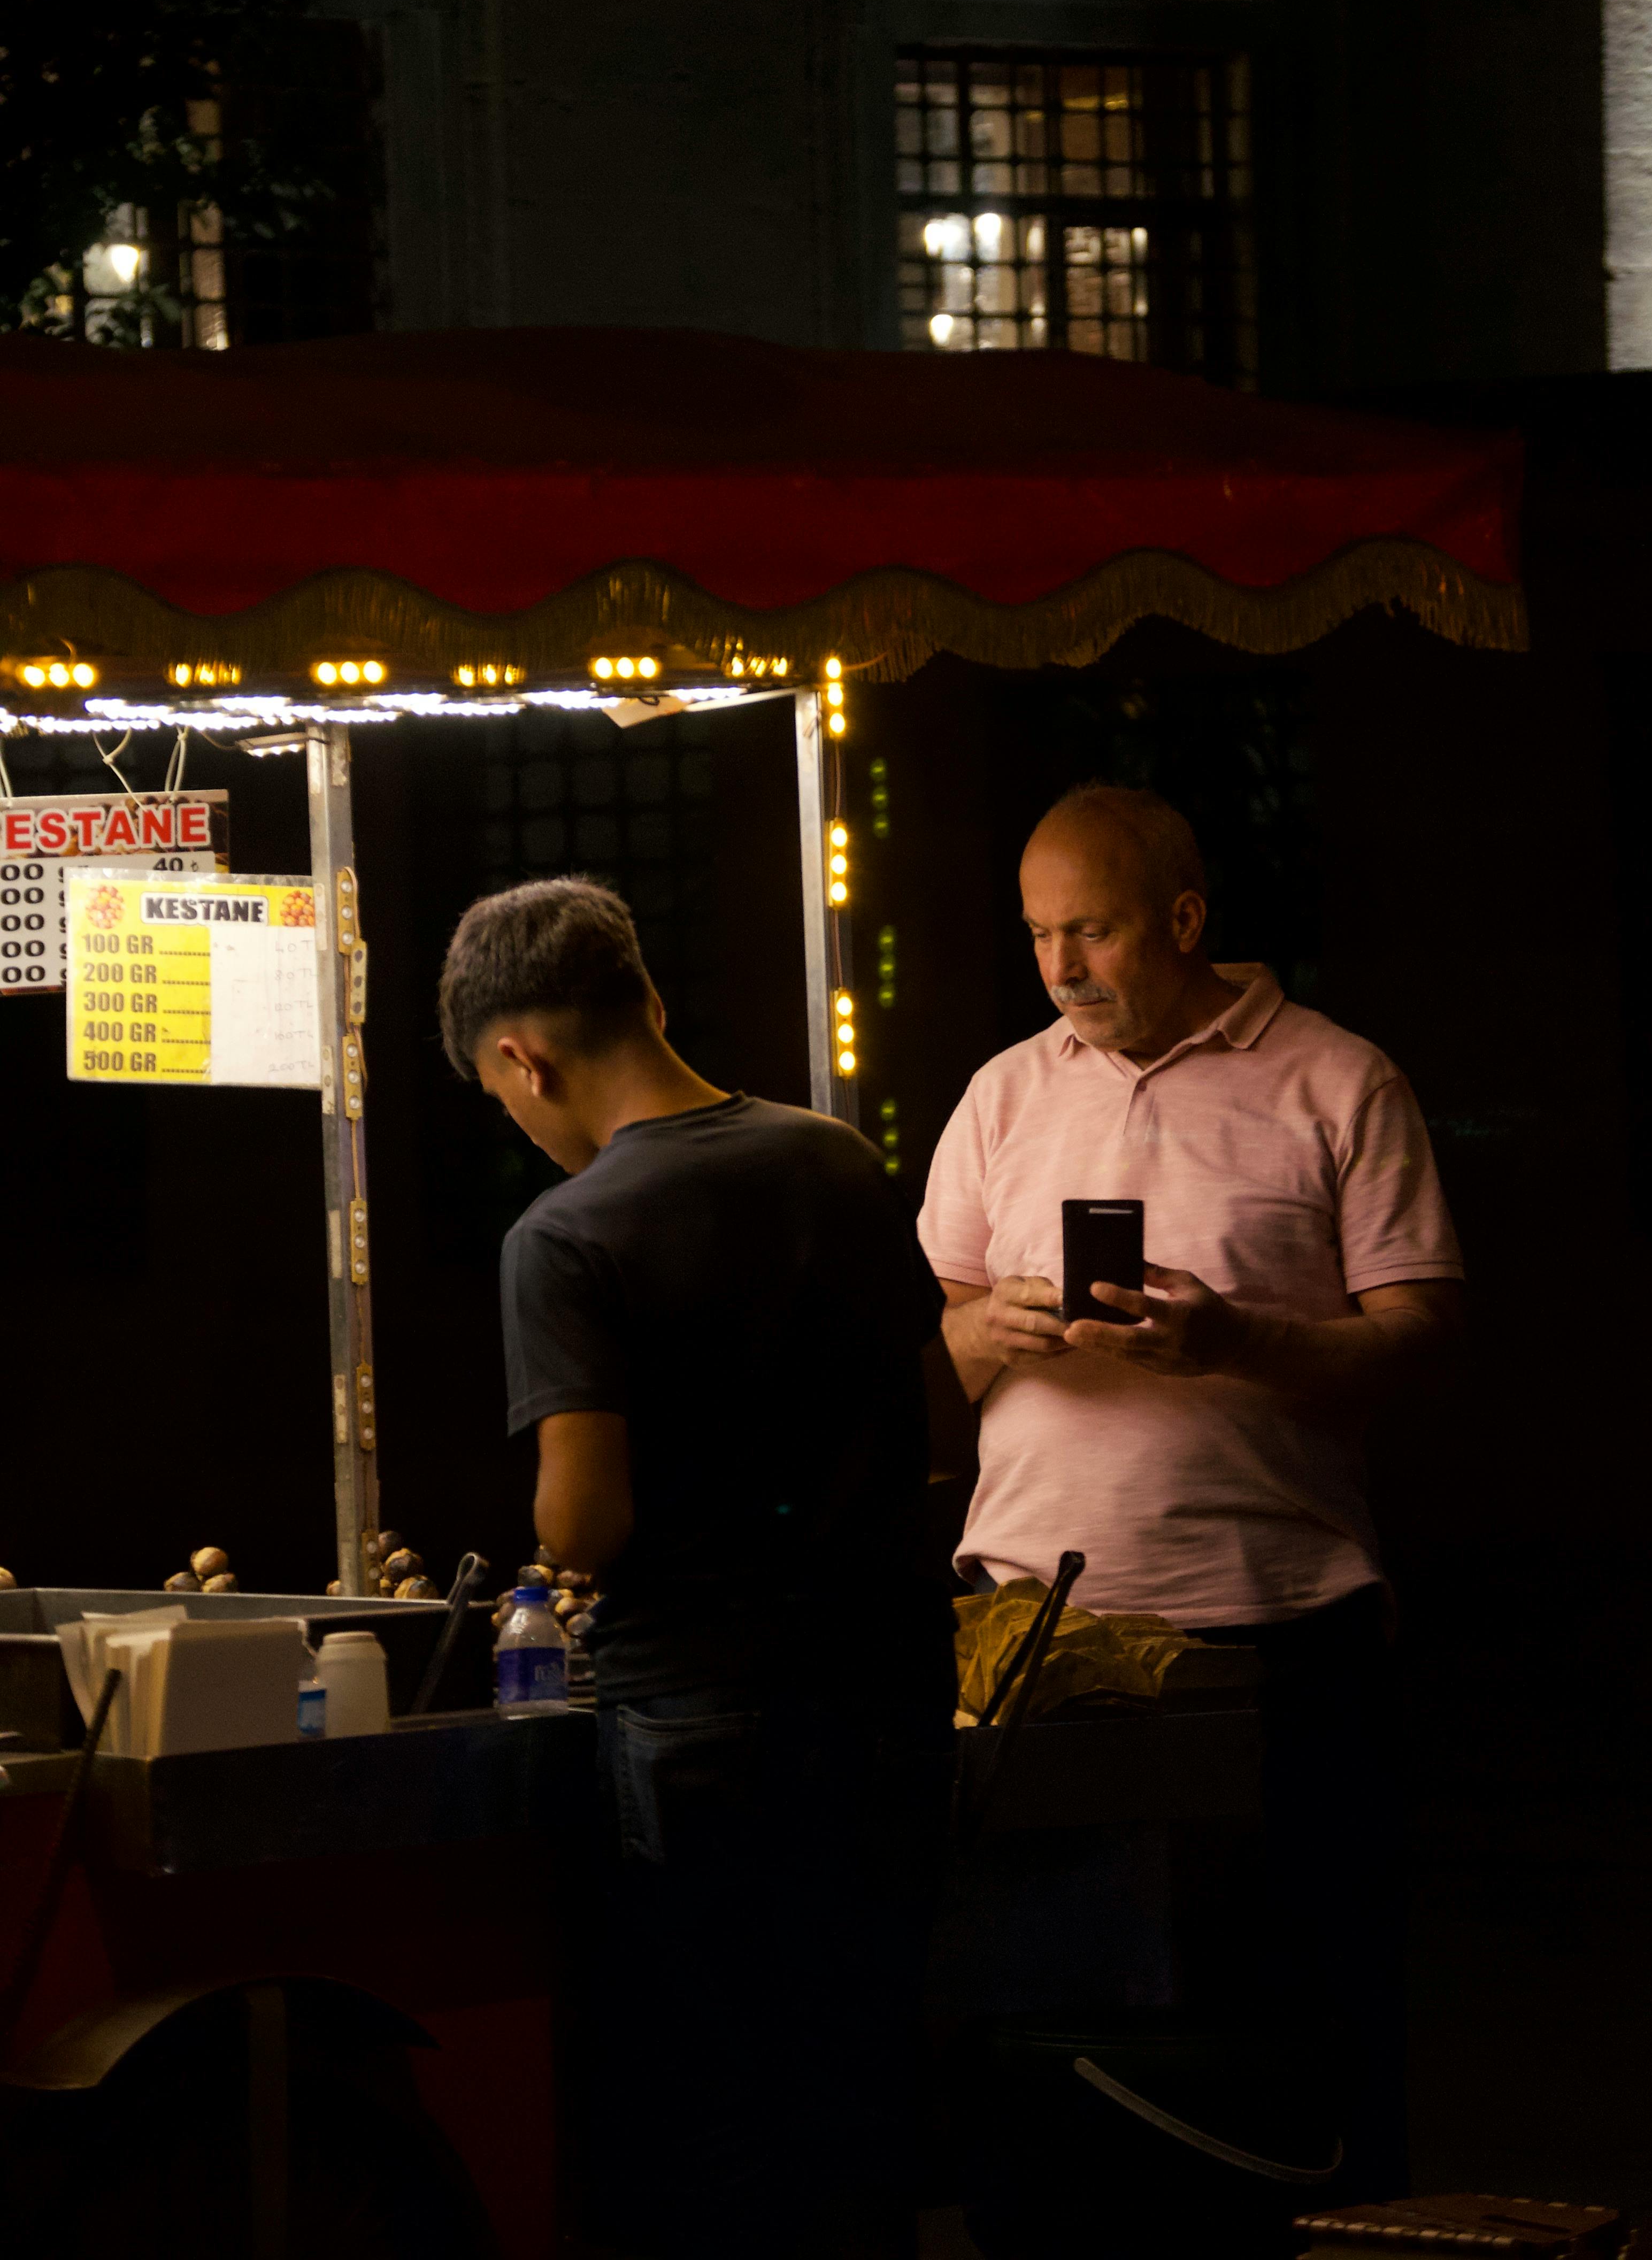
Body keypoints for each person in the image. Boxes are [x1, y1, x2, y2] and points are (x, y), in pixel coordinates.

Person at [918, 782, 1465, 2194]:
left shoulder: (1340, 1081)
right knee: (1059, 2026)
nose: (1060, 969)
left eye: (1090, 931)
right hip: (1031, 1643)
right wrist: (985, 1330)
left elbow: (1418, 1346)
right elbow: (919, 1352)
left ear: (1184, 918)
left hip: (1278, 1634)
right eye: (1039, 936)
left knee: (1307, 2019)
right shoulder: (1003, 1094)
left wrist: (1233, 1339)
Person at [439, 874, 956, 2260]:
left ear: (521, 1058)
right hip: (892, 1694)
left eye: (510, 1105)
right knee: (859, 2081)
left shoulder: (562, 1238)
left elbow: (586, 1523)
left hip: (702, 1720)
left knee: (711, 2107)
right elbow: (934, 1404)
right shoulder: (836, 1159)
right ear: (649, 1001)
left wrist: (556, 1535)